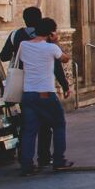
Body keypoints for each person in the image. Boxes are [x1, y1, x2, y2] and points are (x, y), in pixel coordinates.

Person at [17, 17, 73, 176]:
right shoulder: (51, 48)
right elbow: (65, 58)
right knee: (59, 124)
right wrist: (55, 42)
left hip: (28, 93)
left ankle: (27, 165)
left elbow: (21, 60)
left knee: (29, 130)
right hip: (46, 93)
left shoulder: (23, 45)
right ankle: (59, 160)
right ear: (50, 33)